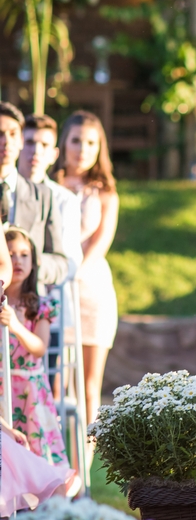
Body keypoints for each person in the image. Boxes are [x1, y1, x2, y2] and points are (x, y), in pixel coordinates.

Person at [52, 112, 119, 425]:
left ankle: (85, 469)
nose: (83, 148)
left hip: (91, 291)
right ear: (64, 142)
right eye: (76, 140)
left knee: (90, 386)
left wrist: (72, 275)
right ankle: (53, 462)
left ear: (99, 147)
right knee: (54, 386)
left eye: (91, 142)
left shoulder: (105, 192)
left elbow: (99, 244)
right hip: (51, 290)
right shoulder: (48, 183)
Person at [0, 227, 66, 466]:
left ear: (33, 261)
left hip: (30, 391)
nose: (17, 260)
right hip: (1, 392)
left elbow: (39, 348)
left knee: (38, 456)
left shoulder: (40, 306)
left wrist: (16, 325)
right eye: (10, 254)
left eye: (24, 254)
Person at [0, 104, 69, 286]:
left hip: (25, 306)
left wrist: (29, 264)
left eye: (13, 134)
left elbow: (60, 263)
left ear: (21, 140)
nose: (6, 141)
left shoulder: (43, 196)